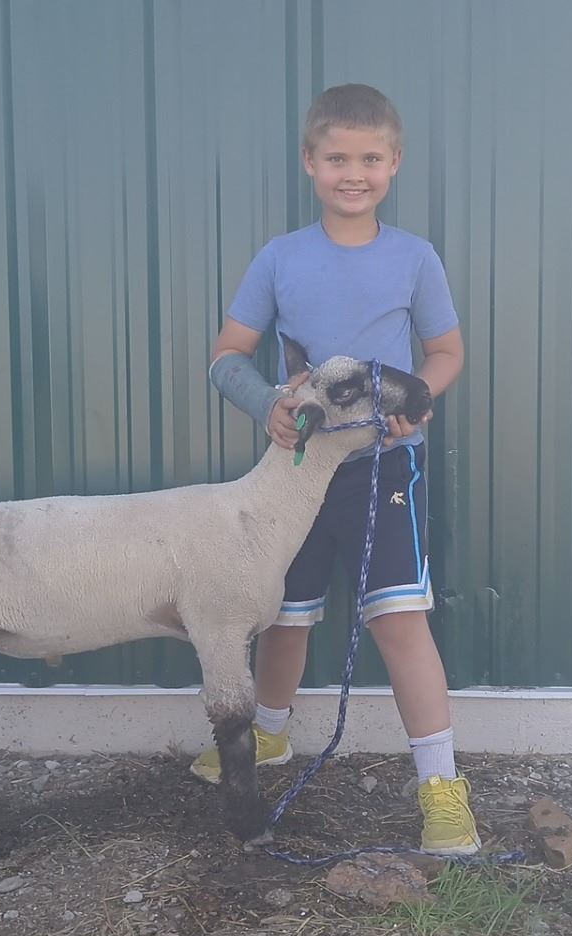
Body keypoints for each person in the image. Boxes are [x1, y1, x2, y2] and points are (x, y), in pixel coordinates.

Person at [193, 83, 480, 855]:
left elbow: (446, 353)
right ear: (309, 162)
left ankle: (441, 786)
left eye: (371, 159)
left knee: (398, 620)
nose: (354, 173)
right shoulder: (280, 257)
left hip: (384, 468)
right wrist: (267, 403)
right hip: (293, 472)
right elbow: (228, 355)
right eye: (338, 159)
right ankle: (270, 735)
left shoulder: (414, 257)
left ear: (395, 163)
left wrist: (418, 402)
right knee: (282, 616)